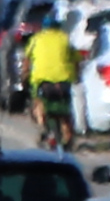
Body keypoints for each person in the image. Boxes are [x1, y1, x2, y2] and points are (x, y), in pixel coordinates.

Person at [21, 10, 78, 138]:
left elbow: (27, 59)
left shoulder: (36, 39)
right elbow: (76, 60)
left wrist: (24, 75)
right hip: (64, 81)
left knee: (38, 101)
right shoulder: (65, 39)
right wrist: (76, 76)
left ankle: (42, 125)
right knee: (65, 110)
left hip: (42, 81)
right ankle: (68, 135)